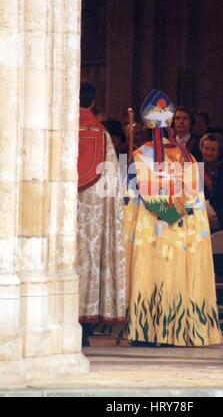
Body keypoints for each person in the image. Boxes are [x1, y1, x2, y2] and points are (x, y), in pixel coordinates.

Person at [124, 90, 221, 347]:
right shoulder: (187, 156)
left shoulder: (139, 156)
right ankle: (172, 332)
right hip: (178, 231)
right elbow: (194, 201)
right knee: (172, 273)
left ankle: (143, 332)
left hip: (148, 229)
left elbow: (130, 200)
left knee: (149, 271)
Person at [77, 81, 126, 346]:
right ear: (93, 103)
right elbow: (111, 186)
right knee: (89, 263)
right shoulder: (103, 134)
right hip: (93, 219)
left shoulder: (58, 130)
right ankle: (84, 332)